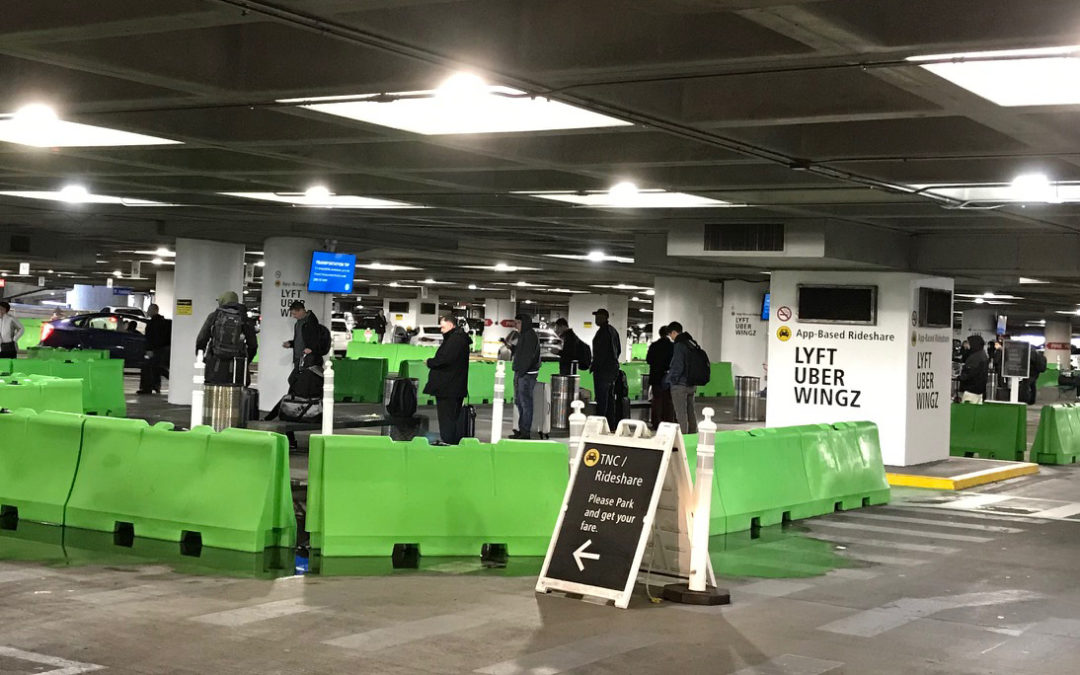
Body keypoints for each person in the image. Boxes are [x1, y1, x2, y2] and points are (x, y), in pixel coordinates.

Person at [425, 315, 471, 445]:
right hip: (456, 386)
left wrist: (430, 362)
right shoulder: (460, 339)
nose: (441, 330)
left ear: (451, 325)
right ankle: (453, 442)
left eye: (443, 327)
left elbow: (444, 359)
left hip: (448, 387)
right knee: (453, 417)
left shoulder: (454, 340)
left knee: (446, 418)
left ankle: (448, 442)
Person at [195, 291, 258, 386]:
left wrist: (203, 359)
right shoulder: (244, 319)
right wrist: (245, 361)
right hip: (237, 368)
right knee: (237, 397)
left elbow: (201, 339)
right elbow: (253, 345)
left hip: (214, 367)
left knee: (214, 396)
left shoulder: (214, 316)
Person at [283, 300, 326, 397]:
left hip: (307, 360)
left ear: (301, 310)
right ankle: (294, 402)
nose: (294, 316)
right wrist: (291, 343)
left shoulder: (311, 322)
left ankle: (294, 403)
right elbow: (301, 340)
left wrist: (312, 349)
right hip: (300, 359)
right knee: (295, 381)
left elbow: (317, 340)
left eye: (294, 313)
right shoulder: (299, 323)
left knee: (296, 382)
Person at [511, 313, 542, 439]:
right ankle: (522, 429)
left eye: (518, 323)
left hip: (526, 374)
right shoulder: (523, 335)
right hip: (522, 373)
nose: (516, 325)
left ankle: (525, 432)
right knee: (520, 402)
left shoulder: (529, 336)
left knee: (525, 403)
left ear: (524, 323)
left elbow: (528, 357)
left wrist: (521, 372)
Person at [590, 308, 622, 430]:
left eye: (598, 316)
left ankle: (600, 426)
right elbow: (618, 350)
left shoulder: (603, 332)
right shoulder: (613, 331)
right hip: (612, 370)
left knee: (602, 400)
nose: (596, 319)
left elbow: (601, 354)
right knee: (609, 399)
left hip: (603, 371)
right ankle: (610, 425)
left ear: (604, 317)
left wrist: (595, 365)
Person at [666, 322, 699, 434]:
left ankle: (683, 438)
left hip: (680, 385)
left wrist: (672, 380)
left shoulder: (679, 345)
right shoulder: (692, 343)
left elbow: (677, 365)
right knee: (691, 411)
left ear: (674, 332)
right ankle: (693, 434)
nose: (671, 338)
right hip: (692, 383)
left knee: (680, 413)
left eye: (670, 335)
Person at [137, 303, 171, 395]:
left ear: (154, 310)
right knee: (157, 369)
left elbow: (152, 338)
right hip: (162, 350)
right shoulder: (163, 322)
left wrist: (149, 350)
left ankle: (147, 388)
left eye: (149, 309)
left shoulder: (153, 323)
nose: (148, 311)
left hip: (154, 349)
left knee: (148, 367)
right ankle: (156, 386)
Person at [646, 324, 675, 429]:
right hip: (668, 376)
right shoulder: (672, 346)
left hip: (656, 376)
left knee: (657, 400)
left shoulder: (654, 345)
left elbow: (649, 360)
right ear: (668, 333)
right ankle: (668, 421)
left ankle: (656, 422)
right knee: (668, 400)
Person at [957, 334, 989, 403]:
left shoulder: (975, 358)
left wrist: (960, 377)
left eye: (969, 343)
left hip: (970, 391)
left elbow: (969, 373)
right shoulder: (983, 354)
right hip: (980, 391)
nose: (967, 345)